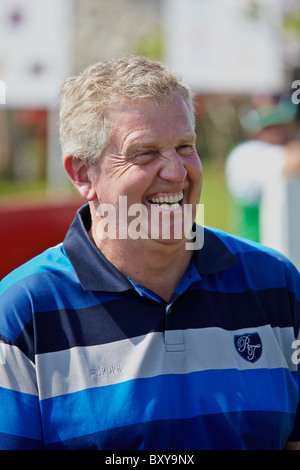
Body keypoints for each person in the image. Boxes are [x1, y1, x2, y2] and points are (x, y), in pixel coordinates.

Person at [0, 56, 300, 450]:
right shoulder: (24, 311)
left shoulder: (275, 283)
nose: (176, 172)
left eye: (185, 147)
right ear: (82, 174)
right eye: (145, 153)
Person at [226, 94, 300, 242]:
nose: (280, 130)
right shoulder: (246, 153)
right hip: (259, 251)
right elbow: (291, 164)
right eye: (271, 126)